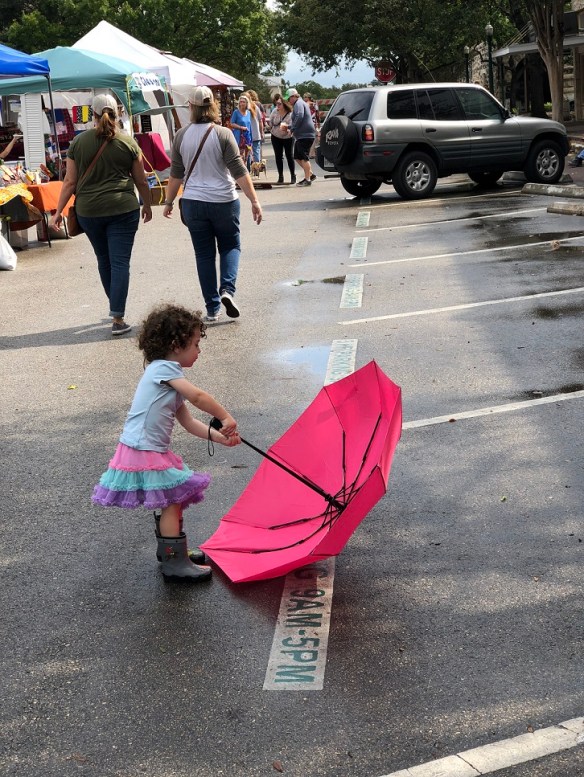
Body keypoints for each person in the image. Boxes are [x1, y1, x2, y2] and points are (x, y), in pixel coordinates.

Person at [92, 303, 241, 581]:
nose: (199, 351)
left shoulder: (165, 376)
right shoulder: (164, 369)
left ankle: (172, 552)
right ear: (176, 344)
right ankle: (175, 562)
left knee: (172, 498)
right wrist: (224, 416)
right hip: (143, 449)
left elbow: (188, 421)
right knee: (173, 499)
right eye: (196, 344)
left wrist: (220, 437)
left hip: (145, 449)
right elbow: (198, 397)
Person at [52, 93, 152, 336]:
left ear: (93, 115)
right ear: (117, 114)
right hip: (122, 209)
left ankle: (115, 309)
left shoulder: (78, 142)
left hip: (89, 211)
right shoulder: (128, 143)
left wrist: (58, 211)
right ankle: (117, 316)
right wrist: (147, 205)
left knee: (104, 260)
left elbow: (69, 181)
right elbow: (141, 180)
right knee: (119, 262)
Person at [163, 86, 262, 322]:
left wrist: (168, 201)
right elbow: (238, 170)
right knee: (230, 246)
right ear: (213, 106)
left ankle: (212, 308)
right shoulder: (223, 134)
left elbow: (176, 173)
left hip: (193, 203)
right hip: (224, 201)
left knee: (204, 255)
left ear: (191, 107)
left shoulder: (181, 136)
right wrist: (254, 200)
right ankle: (227, 290)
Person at [284, 88, 317, 187]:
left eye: (289, 98)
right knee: (297, 157)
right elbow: (299, 119)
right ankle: (310, 174)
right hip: (302, 135)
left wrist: (292, 129)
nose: (288, 101)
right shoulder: (299, 103)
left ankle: (308, 179)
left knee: (304, 157)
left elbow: (299, 116)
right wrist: (289, 127)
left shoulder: (298, 104)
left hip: (305, 135)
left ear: (294, 96)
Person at [268, 94, 296, 184]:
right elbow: (270, 122)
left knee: (289, 155)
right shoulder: (274, 112)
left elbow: (293, 125)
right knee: (278, 156)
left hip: (288, 137)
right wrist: (269, 126)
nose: (278, 105)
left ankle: (293, 175)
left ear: (284, 104)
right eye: (277, 104)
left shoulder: (290, 114)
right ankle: (280, 176)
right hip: (276, 136)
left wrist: (287, 128)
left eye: (280, 104)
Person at [229, 94, 253, 168]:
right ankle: (241, 173)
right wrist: (240, 127)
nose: (241, 103)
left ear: (247, 103)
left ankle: (247, 172)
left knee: (247, 156)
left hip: (247, 137)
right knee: (240, 156)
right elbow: (231, 123)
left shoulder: (248, 113)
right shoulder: (236, 112)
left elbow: (250, 125)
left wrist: (251, 137)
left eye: (243, 102)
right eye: (240, 102)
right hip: (238, 137)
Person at [245, 90, 264, 164]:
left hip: (248, 133)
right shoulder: (255, 107)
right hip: (256, 133)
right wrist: (261, 131)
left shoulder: (243, 109)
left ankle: (250, 168)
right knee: (256, 151)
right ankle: (257, 169)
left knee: (249, 151)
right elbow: (260, 120)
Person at [303, 92, 320, 159]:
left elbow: (317, 115)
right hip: (312, 123)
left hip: (309, 123)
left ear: (308, 98)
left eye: (305, 97)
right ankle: (311, 152)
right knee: (314, 138)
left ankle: (310, 152)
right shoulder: (314, 104)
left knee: (312, 137)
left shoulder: (305, 105)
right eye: (304, 97)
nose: (304, 98)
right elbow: (318, 115)